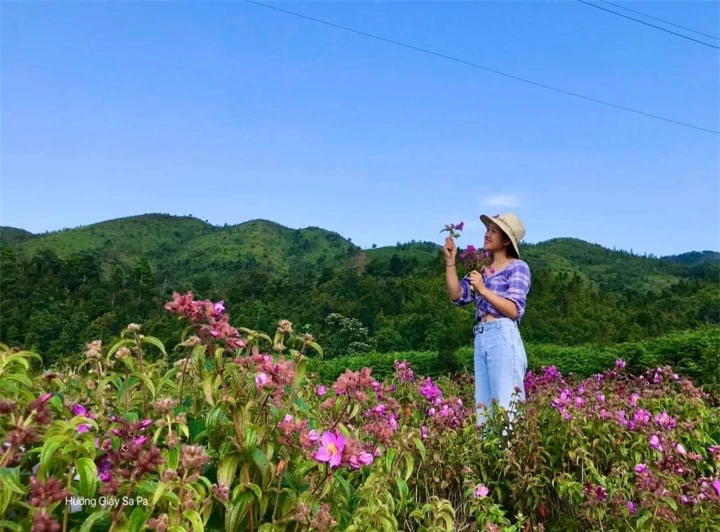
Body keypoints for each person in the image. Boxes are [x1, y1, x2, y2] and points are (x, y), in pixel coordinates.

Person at [444, 212, 531, 427]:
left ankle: (510, 456)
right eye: (487, 229)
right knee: (484, 410)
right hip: (482, 336)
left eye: (493, 231)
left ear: (506, 240)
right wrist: (451, 261)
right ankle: (491, 458)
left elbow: (513, 309)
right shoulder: (483, 271)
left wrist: (482, 288)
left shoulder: (517, 267)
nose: (487, 234)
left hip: (503, 334)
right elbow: (457, 295)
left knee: (506, 406)